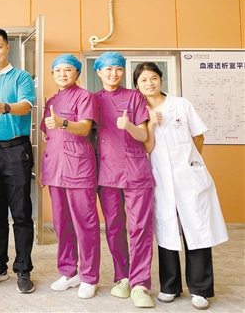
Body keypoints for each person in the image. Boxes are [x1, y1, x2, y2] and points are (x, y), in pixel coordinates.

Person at [134, 62, 228, 311]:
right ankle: (170, 286)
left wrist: (191, 165)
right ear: (137, 86)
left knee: (196, 229)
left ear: (160, 79)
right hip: (161, 179)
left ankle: (200, 289)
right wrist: (151, 124)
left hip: (188, 177)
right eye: (143, 80)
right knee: (167, 229)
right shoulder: (141, 111)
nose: (149, 83)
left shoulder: (181, 104)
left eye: (153, 78)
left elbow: (199, 136)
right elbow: (147, 147)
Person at [0, 28, 36, 294]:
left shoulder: (21, 77)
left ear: (7, 48)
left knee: (21, 213)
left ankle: (23, 269)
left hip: (15, 150)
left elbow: (27, 105)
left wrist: (6, 107)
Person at [94, 51, 155, 308]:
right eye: (108, 69)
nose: (114, 73)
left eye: (118, 68)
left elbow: (143, 135)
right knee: (114, 227)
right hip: (106, 173)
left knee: (140, 227)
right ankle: (123, 277)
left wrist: (128, 125)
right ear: (99, 72)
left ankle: (140, 283)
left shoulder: (134, 96)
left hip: (136, 171)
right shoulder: (92, 100)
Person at [39, 54, 100, 299]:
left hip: (79, 169)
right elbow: (48, 137)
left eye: (68, 70)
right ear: (52, 74)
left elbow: (84, 127)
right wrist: (44, 170)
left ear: (77, 73)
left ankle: (89, 276)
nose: (62, 74)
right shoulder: (52, 100)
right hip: (55, 169)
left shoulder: (85, 97)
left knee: (85, 224)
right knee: (61, 224)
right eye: (58, 71)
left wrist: (63, 122)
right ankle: (68, 272)